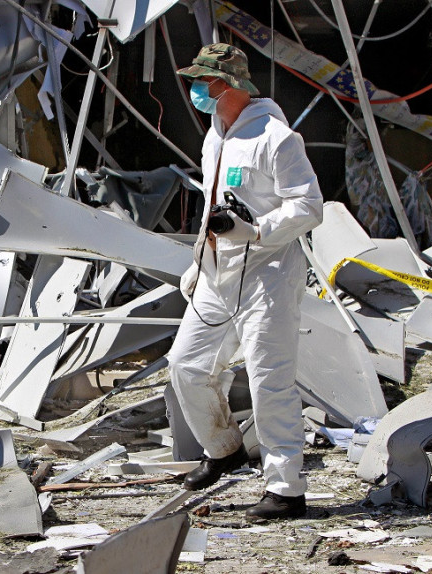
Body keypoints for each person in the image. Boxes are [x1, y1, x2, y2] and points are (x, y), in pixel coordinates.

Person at [167, 43, 323, 521]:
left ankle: (285, 491)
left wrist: (256, 231)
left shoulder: (277, 138)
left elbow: (309, 206)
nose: (195, 90)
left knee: (269, 380)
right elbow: (215, 204)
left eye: (203, 82)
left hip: (268, 274)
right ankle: (223, 450)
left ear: (227, 85)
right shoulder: (214, 136)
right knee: (187, 366)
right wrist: (200, 258)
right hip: (219, 271)